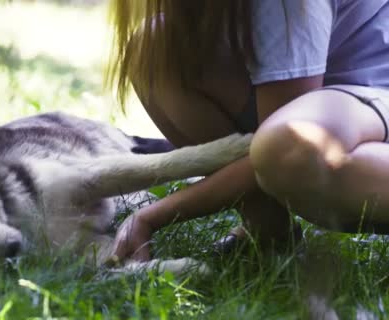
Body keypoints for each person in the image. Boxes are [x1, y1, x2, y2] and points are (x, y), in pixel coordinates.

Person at [107, 0, 389, 261]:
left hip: (371, 96)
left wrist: (152, 217)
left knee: (288, 147)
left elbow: (284, 148)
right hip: (339, 102)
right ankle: (269, 234)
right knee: (155, 47)